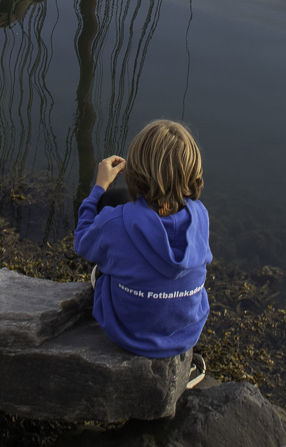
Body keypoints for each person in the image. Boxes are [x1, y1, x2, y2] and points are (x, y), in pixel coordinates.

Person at [74, 119, 212, 373]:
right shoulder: (201, 216)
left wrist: (98, 188)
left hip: (127, 334)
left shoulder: (115, 222)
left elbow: (81, 241)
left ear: (135, 172)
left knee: (105, 254)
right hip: (185, 333)